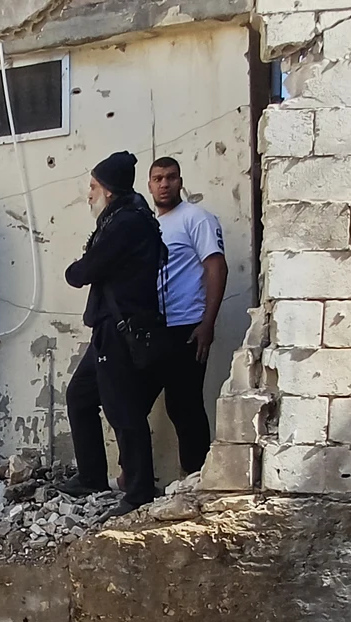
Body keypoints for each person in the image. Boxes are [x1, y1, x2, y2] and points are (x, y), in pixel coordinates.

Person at [59, 151, 167, 518]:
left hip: (121, 328)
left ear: (108, 190)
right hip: (111, 326)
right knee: (81, 396)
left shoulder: (126, 224)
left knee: (123, 410)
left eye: (93, 186)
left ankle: (139, 491)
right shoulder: (127, 218)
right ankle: (91, 475)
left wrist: (75, 268)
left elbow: (85, 270)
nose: (89, 193)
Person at [149, 156, 227, 475]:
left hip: (188, 327)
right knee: (134, 402)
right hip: (156, 328)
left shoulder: (196, 218)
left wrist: (207, 323)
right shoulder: (152, 225)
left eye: (171, 177)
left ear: (181, 181)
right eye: (158, 178)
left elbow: (216, 267)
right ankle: (135, 478)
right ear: (149, 184)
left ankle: (196, 478)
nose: (164, 184)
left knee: (185, 406)